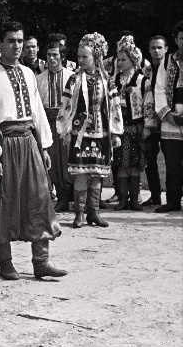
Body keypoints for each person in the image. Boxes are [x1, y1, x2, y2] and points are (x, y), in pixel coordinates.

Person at [0, 21, 66, 280]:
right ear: (0, 44)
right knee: (3, 202)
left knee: (39, 199)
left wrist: (44, 146)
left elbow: (37, 111)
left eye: (19, 40)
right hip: (4, 144)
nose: (16, 46)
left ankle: (41, 262)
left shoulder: (29, 73)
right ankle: (5, 263)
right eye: (11, 41)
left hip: (29, 142)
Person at [57, 33, 123, 228]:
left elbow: (114, 106)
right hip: (80, 133)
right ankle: (79, 214)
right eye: (79, 57)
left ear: (96, 57)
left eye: (84, 57)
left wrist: (116, 133)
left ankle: (93, 212)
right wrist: (65, 130)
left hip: (101, 133)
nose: (80, 60)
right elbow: (66, 106)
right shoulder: (74, 80)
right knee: (81, 173)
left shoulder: (107, 80)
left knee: (96, 173)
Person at [110, 36, 148, 211]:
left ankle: (134, 199)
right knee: (121, 164)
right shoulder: (114, 80)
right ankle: (123, 199)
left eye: (123, 59)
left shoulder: (141, 80)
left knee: (134, 164)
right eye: (118, 59)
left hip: (135, 124)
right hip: (119, 125)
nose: (119, 63)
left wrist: (147, 126)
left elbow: (148, 104)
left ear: (133, 60)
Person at [37, 41, 74, 212]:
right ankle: (60, 196)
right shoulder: (39, 78)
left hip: (66, 125)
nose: (51, 58)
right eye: (49, 55)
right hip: (48, 123)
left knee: (66, 159)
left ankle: (73, 195)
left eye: (55, 55)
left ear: (62, 56)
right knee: (52, 160)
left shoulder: (71, 77)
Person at [153, 21, 183, 212]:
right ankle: (172, 201)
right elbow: (159, 89)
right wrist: (167, 113)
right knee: (172, 164)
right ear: (176, 40)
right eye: (182, 38)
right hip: (171, 122)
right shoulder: (167, 61)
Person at [143, 35, 167, 206]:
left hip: (168, 121)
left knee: (173, 160)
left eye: (159, 47)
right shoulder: (146, 71)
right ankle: (155, 195)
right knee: (150, 161)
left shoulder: (172, 69)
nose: (156, 50)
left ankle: (174, 195)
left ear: (166, 49)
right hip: (151, 124)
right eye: (153, 47)